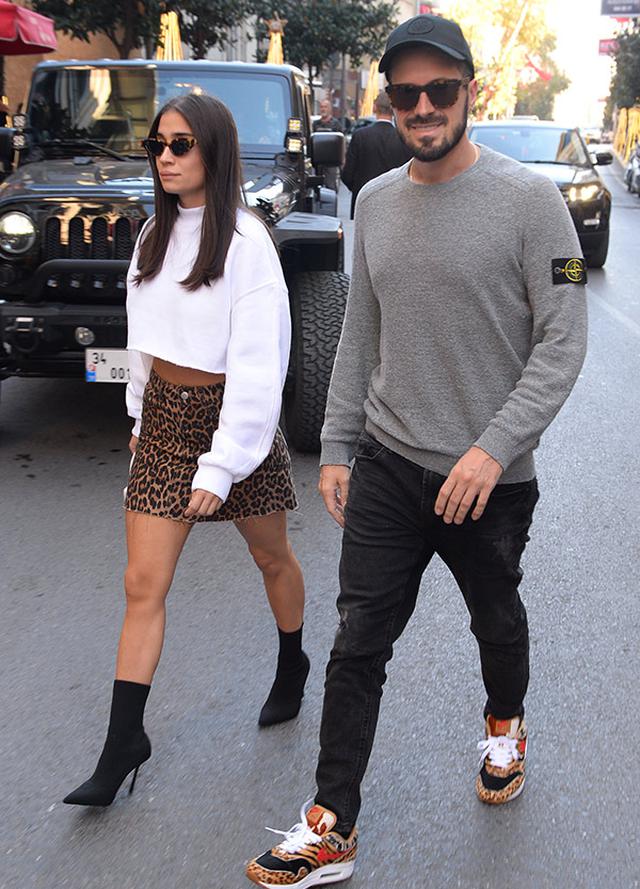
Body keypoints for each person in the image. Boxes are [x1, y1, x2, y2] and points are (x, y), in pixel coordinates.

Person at [246, 12, 587, 886]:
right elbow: (361, 331)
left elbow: (562, 341)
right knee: (359, 640)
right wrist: (336, 442)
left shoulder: (532, 202)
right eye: (406, 94)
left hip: (489, 480)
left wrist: (493, 449)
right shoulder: (376, 202)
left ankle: (505, 726)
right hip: (391, 464)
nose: (424, 107)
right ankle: (332, 825)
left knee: (495, 619)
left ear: (471, 91)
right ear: (389, 103)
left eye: (440, 89)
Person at [63, 93, 309, 808]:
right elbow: (141, 339)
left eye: (180, 145)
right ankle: (123, 741)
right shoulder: (152, 234)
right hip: (167, 419)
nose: (165, 158)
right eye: (157, 145)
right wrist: (140, 413)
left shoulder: (246, 242)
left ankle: (292, 660)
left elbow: (261, 365)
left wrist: (224, 462)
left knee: (271, 556)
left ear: (214, 151)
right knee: (143, 583)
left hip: (234, 421)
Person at [342, 90, 412, 219]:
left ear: (374, 107)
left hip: (365, 204)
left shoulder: (360, 136)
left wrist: (360, 189)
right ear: (393, 109)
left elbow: (347, 174)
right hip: (395, 203)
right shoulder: (404, 138)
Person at [312, 98, 343, 191]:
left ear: (329, 109)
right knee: (316, 189)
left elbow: (341, 144)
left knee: (331, 188)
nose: (323, 109)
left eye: (325, 107)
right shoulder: (315, 124)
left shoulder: (336, 124)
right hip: (317, 163)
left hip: (331, 163)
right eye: (321, 107)